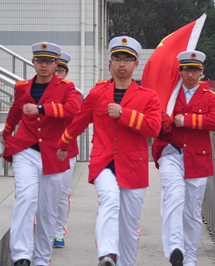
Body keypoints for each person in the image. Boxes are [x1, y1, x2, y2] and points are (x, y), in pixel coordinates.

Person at [56, 36, 161, 266]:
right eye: (117, 58)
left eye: (127, 59)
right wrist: (63, 144)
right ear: (110, 64)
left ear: (135, 64)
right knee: (110, 200)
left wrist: (124, 114)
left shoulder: (148, 96)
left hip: (134, 166)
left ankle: (123, 262)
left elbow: (154, 127)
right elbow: (78, 122)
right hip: (103, 161)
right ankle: (107, 254)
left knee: (130, 227)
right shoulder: (97, 93)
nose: (122, 64)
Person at [1, 42, 80, 266]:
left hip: (54, 153)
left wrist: (43, 109)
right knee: (25, 198)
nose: (43, 65)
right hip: (25, 149)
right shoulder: (22, 86)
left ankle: (42, 259)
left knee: (47, 208)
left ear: (56, 64)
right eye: (39, 61)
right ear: (33, 62)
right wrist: (7, 133)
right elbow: (15, 110)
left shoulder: (67, 88)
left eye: (48, 61)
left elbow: (73, 110)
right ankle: (21, 256)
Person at [152, 50, 215, 266]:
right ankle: (175, 248)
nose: (189, 74)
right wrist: (164, 121)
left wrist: (187, 121)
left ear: (201, 71)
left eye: (194, 69)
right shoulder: (168, 95)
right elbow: (157, 118)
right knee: (173, 198)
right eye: (185, 69)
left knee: (192, 211)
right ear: (179, 71)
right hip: (170, 152)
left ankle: (190, 257)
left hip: (197, 159)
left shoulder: (211, 96)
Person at [52, 51, 82, 249]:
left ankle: (59, 231)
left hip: (66, 149)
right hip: (42, 149)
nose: (57, 74)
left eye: (60, 70)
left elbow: (74, 117)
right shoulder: (37, 90)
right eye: (55, 70)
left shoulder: (73, 93)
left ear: (65, 73)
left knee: (62, 192)